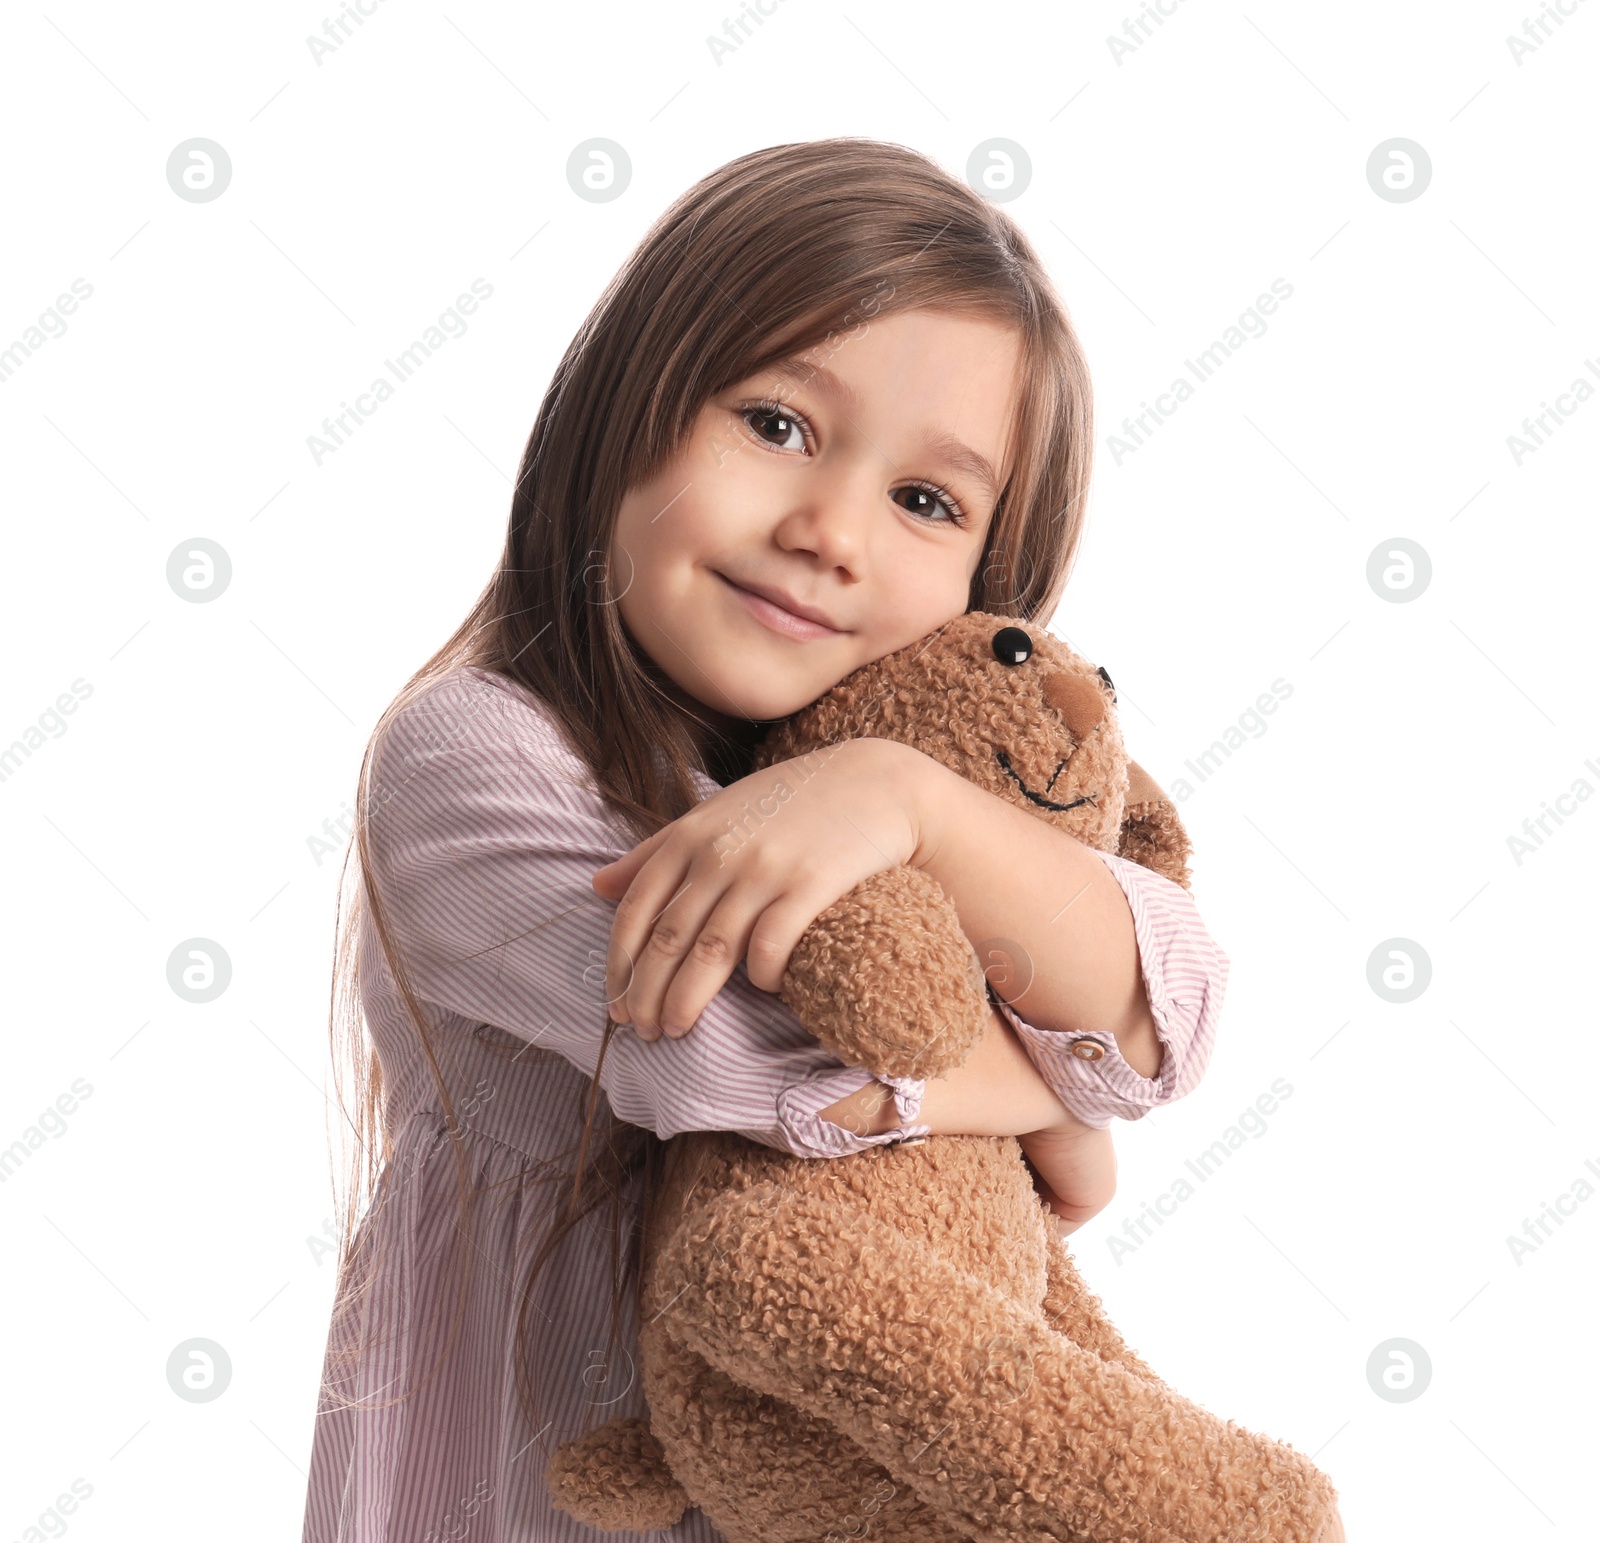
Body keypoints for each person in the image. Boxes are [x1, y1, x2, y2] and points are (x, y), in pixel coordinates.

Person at [302, 137, 1228, 1543]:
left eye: (926, 502)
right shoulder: (476, 754)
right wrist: (1060, 1093)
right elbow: (734, 1064)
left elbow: (1177, 998)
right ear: (621, 414)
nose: (829, 531)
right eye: (779, 425)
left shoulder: (904, 786)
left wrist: (905, 799)